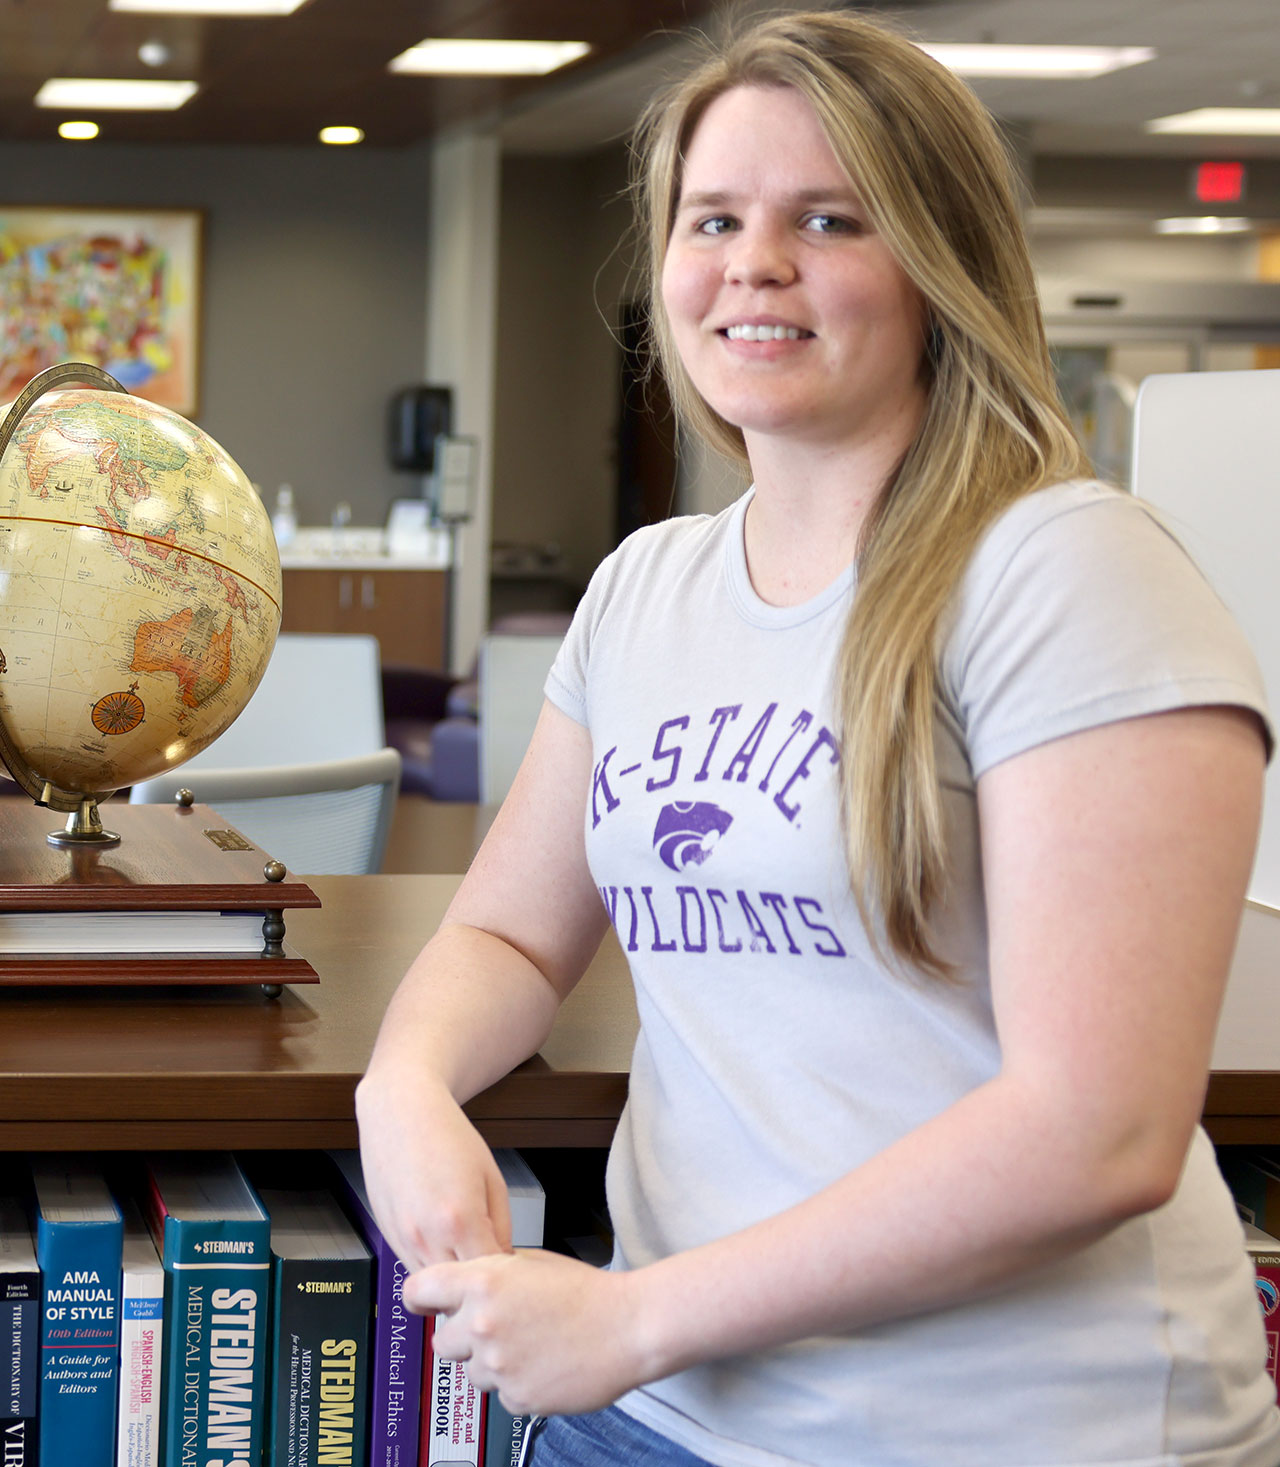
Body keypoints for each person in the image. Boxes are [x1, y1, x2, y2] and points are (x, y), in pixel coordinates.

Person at [356, 12, 1280, 1466]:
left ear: (941, 262)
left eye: (829, 219)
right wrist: (401, 1087)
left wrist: (641, 1317)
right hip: (662, 1413)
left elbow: (1098, 1129)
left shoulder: (1068, 571)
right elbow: (512, 942)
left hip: (1002, 1430)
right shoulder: (647, 588)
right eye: (712, 217)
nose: (753, 262)